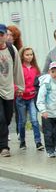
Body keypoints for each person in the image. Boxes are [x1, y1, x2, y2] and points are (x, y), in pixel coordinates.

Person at [0, 23, 24, 157]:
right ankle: (4, 147)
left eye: (1, 35)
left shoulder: (11, 49)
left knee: (8, 118)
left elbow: (17, 69)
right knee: (1, 118)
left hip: (8, 89)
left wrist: (20, 87)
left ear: (5, 36)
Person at [16, 46, 43, 151]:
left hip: (32, 97)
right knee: (22, 121)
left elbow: (38, 82)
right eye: (27, 54)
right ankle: (22, 141)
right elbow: (14, 80)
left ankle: (38, 142)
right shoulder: (19, 68)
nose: (29, 56)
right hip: (21, 98)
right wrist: (17, 90)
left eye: (31, 54)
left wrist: (36, 91)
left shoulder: (35, 68)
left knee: (34, 120)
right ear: (22, 56)